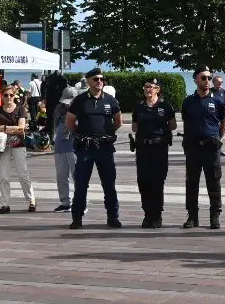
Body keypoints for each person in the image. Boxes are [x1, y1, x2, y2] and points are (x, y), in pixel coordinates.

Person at [67, 67, 122, 228]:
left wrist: (106, 133)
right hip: (85, 148)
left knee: (109, 185)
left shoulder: (110, 100)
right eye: (96, 79)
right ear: (88, 81)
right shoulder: (80, 100)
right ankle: (77, 218)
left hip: (104, 148)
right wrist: (82, 135)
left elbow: (118, 122)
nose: (99, 82)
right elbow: (70, 122)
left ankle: (113, 217)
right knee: (81, 185)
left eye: (101, 79)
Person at [181, 66, 225, 229]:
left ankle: (215, 215)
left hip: (211, 148)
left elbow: (223, 122)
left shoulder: (217, 101)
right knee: (191, 183)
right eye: (203, 78)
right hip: (193, 148)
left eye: (209, 78)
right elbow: (186, 121)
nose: (207, 81)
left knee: (214, 181)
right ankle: (192, 216)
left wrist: (216, 138)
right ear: (195, 80)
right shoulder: (188, 102)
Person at [132, 77, 177, 228]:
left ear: (157, 89)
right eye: (146, 87)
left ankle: (157, 215)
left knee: (157, 182)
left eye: (151, 87)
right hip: (143, 149)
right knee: (143, 181)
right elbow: (134, 127)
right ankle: (147, 214)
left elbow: (172, 125)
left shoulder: (165, 106)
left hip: (159, 149)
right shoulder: (139, 107)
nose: (148, 89)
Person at [0, 86, 35, 213]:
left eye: (11, 95)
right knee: (4, 176)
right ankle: (5, 204)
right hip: (2, 145)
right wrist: (12, 128)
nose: (8, 97)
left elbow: (21, 128)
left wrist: (4, 128)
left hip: (18, 144)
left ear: (15, 95)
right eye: (6, 95)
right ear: (2, 96)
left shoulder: (20, 109)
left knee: (23, 174)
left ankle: (31, 200)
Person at [51, 83, 79, 214]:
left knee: (77, 175)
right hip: (60, 145)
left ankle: (80, 202)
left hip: (74, 145)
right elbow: (55, 125)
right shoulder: (58, 108)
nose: (67, 104)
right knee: (61, 176)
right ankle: (65, 203)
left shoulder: (81, 108)